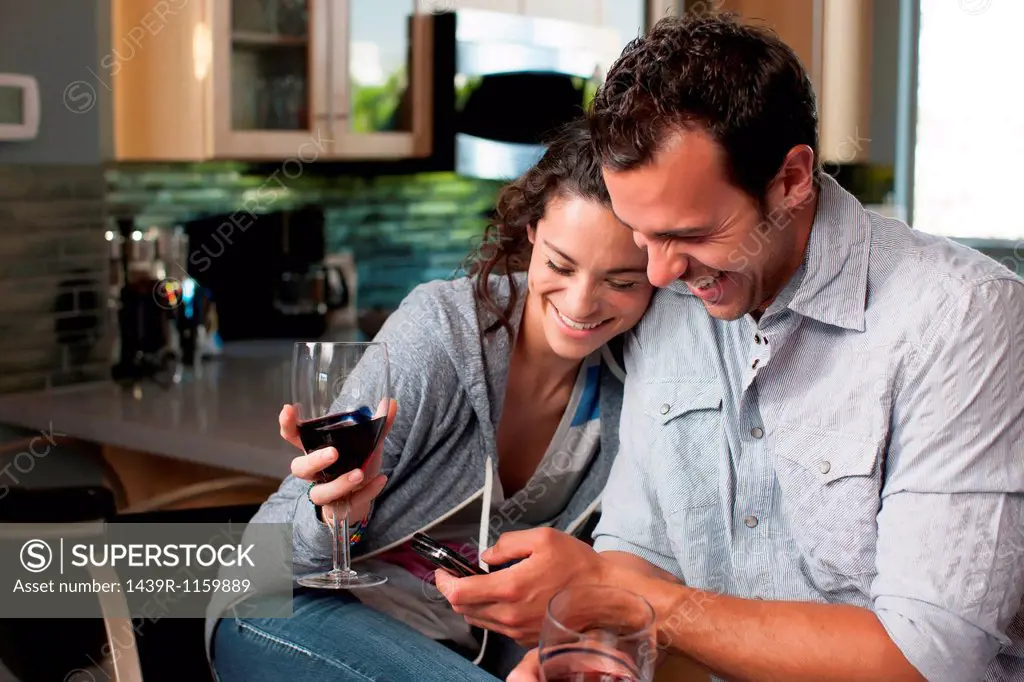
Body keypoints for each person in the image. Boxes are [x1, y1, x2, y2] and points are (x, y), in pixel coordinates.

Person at [433, 12, 1024, 682]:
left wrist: (617, 596)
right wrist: (578, 651)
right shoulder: (676, 295)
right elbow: (637, 549)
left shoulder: (961, 319)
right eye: (641, 233)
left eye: (690, 232)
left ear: (793, 181)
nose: (658, 273)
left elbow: (931, 661)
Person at [206, 120, 654, 682]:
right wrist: (333, 515)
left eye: (622, 281)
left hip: (458, 654)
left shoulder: (634, 386)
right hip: (286, 612)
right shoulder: (440, 335)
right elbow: (270, 550)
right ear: (533, 234)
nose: (582, 302)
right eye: (561, 265)